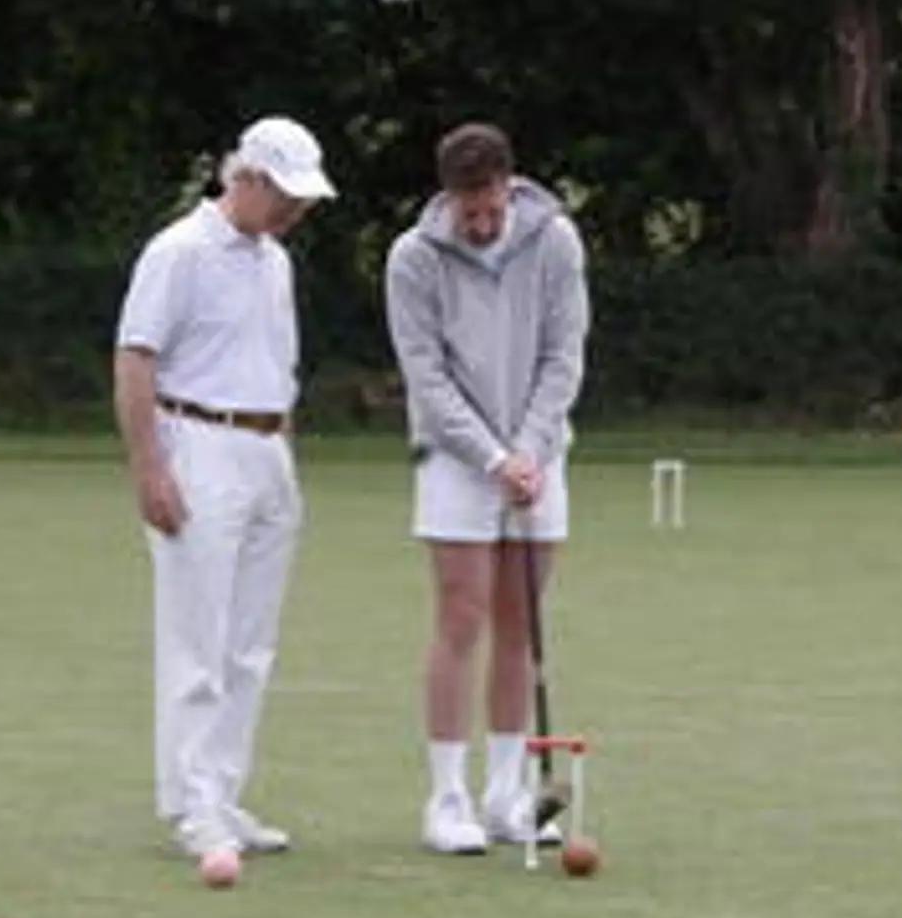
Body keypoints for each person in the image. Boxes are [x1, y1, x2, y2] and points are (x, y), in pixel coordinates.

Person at [111, 115, 338, 859]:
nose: (295, 212)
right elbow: (135, 360)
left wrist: (285, 455)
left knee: (249, 646)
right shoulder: (177, 252)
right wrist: (149, 466)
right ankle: (191, 806)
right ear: (245, 177)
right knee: (197, 639)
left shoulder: (275, 260)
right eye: (285, 196)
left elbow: (278, 361)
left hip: (269, 450)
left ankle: (224, 794)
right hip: (197, 445)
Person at [384, 122, 590, 854]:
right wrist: (492, 458)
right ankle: (446, 799)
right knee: (461, 616)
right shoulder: (413, 259)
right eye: (467, 209)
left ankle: (506, 795)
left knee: (520, 617)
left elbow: (565, 354)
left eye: (491, 207)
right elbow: (426, 376)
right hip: (452, 456)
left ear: (510, 184)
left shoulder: (556, 242)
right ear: (448, 195)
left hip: (539, 450)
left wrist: (529, 450)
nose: (480, 223)